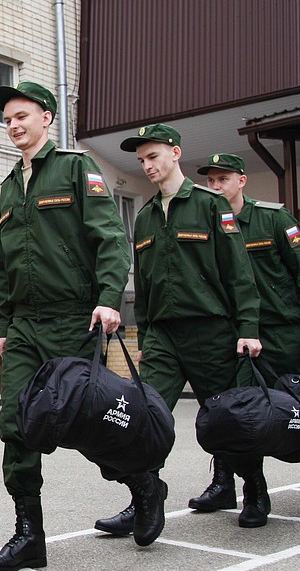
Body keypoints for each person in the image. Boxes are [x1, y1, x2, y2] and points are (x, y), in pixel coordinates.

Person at [0, 81, 163, 563]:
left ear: (47, 118)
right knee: (16, 425)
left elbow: (109, 237)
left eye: (22, 115)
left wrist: (109, 299)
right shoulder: (8, 185)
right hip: (24, 326)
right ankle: (28, 535)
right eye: (7, 119)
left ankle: (144, 484)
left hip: (72, 320)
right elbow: (3, 266)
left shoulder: (75, 168)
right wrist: (3, 326)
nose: (13, 125)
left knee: (85, 424)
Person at [94, 125, 265, 533]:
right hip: (164, 338)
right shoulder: (148, 214)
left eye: (153, 157)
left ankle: (253, 489)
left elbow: (238, 271)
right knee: (142, 419)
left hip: (211, 332)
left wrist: (248, 328)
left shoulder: (209, 204)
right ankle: (144, 499)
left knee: (228, 418)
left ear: (175, 153)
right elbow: (148, 285)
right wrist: (145, 338)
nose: (148, 166)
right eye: (141, 161)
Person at [199, 153, 300, 504]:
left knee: (298, 404)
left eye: (223, 179)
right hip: (233, 336)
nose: (216, 187)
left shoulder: (273, 219)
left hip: (280, 331)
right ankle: (240, 488)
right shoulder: (204, 223)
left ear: (241, 181)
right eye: (211, 181)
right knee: (235, 411)